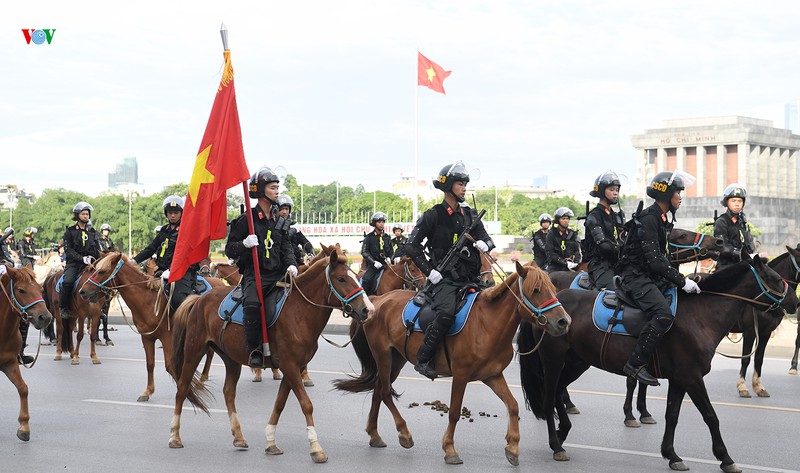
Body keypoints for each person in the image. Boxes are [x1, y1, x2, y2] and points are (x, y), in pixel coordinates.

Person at [404, 161, 494, 380]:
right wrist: (429, 271)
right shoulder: (433, 215)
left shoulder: (470, 215)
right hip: (444, 280)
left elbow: (486, 239)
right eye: (460, 184)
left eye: (465, 184)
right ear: (449, 186)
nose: (464, 188)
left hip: (470, 278)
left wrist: (486, 245)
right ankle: (424, 358)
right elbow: (411, 246)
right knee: (446, 313)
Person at [617, 171, 701, 386]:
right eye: (677, 192)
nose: (680, 197)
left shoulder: (662, 218)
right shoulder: (649, 218)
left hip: (649, 275)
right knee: (663, 314)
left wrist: (682, 280)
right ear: (665, 196)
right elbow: (655, 260)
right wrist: (681, 280)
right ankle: (635, 364)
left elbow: (662, 258)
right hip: (635, 277)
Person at [226, 167, 297, 368]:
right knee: (252, 305)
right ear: (260, 191)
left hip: (278, 276)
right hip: (254, 276)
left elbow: (286, 248)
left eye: (277, 187)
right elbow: (230, 249)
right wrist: (244, 244)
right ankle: (254, 349)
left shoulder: (280, 222)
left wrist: (292, 264)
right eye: (273, 187)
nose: (277, 191)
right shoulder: (245, 220)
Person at [133, 196, 196, 312]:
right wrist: (134, 261)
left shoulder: (186, 231)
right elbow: (151, 248)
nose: (173, 215)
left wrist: (173, 270)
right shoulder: (164, 230)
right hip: (161, 272)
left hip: (181, 272)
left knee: (178, 300)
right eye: (170, 213)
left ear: (181, 213)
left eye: (176, 213)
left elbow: (186, 255)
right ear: (166, 214)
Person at [60, 202, 101, 352]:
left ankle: (99, 307)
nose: (86, 216)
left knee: (102, 281)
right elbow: (68, 250)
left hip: (90, 264)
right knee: (68, 281)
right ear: (77, 215)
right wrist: (81, 259)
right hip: (74, 264)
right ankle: (64, 307)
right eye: (83, 214)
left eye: (87, 214)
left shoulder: (92, 231)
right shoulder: (70, 231)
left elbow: (96, 248)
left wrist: (97, 259)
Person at [583, 171, 625, 289]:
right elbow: (603, 245)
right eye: (611, 190)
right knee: (613, 291)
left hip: (616, 263)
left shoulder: (615, 216)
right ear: (602, 191)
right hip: (600, 265)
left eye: (617, 190)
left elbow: (622, 238)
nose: (615, 193)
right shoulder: (594, 216)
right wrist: (621, 249)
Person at [713, 184, 755, 269]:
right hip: (727, 266)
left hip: (743, 263)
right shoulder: (722, 222)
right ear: (727, 202)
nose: (737, 204)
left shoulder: (742, 222)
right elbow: (723, 247)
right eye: (733, 201)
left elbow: (749, 245)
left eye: (740, 201)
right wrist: (740, 254)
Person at [360, 211, 393, 296]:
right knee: (366, 279)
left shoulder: (387, 237)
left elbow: (391, 251)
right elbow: (364, 252)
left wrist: (390, 258)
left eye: (383, 222)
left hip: (387, 265)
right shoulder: (369, 237)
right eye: (379, 222)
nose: (381, 224)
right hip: (374, 266)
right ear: (374, 224)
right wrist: (373, 262)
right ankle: (365, 298)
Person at [276, 194, 315, 264]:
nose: (284, 212)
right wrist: (293, 230)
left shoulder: (293, 225)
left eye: (286, 209)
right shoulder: (273, 225)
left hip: (296, 262)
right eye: (281, 209)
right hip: (280, 263)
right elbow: (281, 239)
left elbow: (304, 241)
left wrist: (311, 252)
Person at [94, 223, 116, 345]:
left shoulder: (110, 240)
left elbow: (113, 249)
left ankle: (106, 335)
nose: (106, 232)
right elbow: (102, 252)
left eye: (108, 230)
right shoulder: (99, 240)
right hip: (102, 262)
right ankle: (96, 335)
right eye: (105, 230)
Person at [545, 207, 581, 273]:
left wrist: (576, 262)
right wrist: (565, 263)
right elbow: (550, 253)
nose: (565, 221)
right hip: (556, 268)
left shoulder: (572, 234)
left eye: (567, 219)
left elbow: (577, 251)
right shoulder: (551, 234)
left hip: (572, 267)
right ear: (558, 220)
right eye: (563, 218)